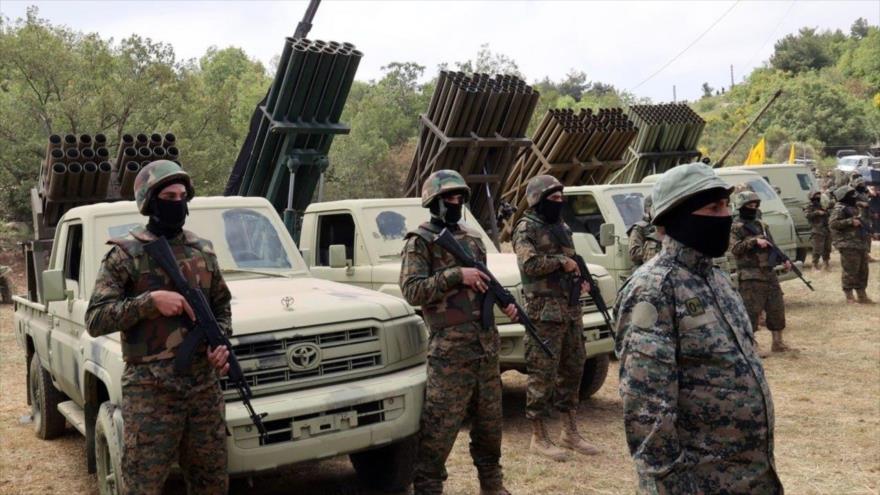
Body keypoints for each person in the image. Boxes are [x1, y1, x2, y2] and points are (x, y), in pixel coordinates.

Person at [614, 163, 782, 494]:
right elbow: (646, 409)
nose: (725, 217)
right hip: (698, 482)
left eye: (726, 207)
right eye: (713, 208)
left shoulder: (716, 278)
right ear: (679, 217)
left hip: (750, 475)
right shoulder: (654, 289)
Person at [85, 160, 231, 495]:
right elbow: (96, 318)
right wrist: (149, 302)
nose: (178, 202)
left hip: (203, 391)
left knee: (212, 482)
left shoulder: (202, 250)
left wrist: (221, 344)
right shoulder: (126, 254)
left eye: (182, 196)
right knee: (143, 485)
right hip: (151, 393)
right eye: (169, 195)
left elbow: (221, 306)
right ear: (150, 201)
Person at [399, 169, 515, 495]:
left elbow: (484, 282)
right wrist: (455, 275)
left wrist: (503, 302)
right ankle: (428, 488)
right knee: (438, 432)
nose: (456, 202)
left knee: (490, 428)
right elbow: (412, 290)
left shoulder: (472, 239)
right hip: (449, 354)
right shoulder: (420, 241)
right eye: (449, 197)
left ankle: (493, 486)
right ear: (433, 202)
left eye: (460, 197)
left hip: (485, 349)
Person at [511, 175, 599, 462]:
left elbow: (570, 258)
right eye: (554, 198)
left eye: (562, 197)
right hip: (544, 314)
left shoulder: (560, 226)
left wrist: (580, 278)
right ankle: (538, 436)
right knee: (542, 374)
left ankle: (569, 431)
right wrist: (562, 263)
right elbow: (530, 264)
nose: (559, 202)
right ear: (537, 199)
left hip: (570, 310)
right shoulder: (526, 228)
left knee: (573, 368)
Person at [730, 191, 792, 353]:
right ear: (741, 207)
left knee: (776, 307)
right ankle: (750, 346)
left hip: (768, 273)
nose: (753, 208)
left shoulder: (761, 225)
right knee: (751, 311)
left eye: (755, 205)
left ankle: (778, 343)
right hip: (750, 275)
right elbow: (735, 249)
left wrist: (784, 259)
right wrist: (753, 241)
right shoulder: (735, 227)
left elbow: (772, 245)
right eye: (749, 205)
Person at [829, 185, 872, 304]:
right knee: (850, 270)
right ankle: (849, 296)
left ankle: (862, 295)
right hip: (848, 244)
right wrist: (850, 221)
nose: (854, 198)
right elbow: (833, 224)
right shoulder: (839, 209)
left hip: (860, 243)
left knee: (863, 270)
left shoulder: (852, 207)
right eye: (851, 196)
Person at [627, 194, 663, 267]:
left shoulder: (663, 225)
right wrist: (653, 250)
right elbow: (633, 253)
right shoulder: (639, 228)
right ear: (647, 209)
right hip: (644, 269)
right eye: (655, 207)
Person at [805, 190, 832, 271]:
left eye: (819, 195)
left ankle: (826, 264)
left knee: (827, 247)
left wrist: (825, 211)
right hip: (817, 230)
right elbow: (807, 215)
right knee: (817, 248)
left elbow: (829, 213)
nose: (818, 197)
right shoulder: (810, 206)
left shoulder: (822, 205)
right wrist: (817, 212)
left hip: (826, 229)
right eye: (816, 195)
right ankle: (814, 264)